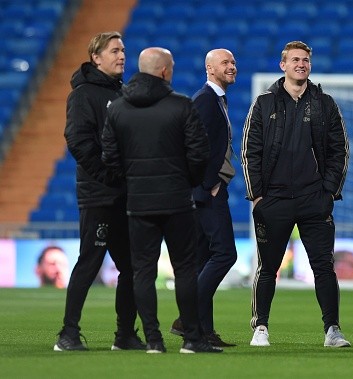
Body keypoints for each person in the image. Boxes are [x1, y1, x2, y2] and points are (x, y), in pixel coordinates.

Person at [101, 47, 221, 354]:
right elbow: (199, 153)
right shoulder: (181, 105)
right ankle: (192, 340)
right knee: (184, 270)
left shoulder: (117, 108)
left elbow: (109, 159)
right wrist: (187, 182)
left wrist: (132, 185)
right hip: (178, 201)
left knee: (143, 271)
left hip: (138, 203)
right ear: (165, 71)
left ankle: (153, 340)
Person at [241, 41, 351, 348]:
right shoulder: (263, 103)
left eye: (305, 60)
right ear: (283, 65)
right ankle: (260, 326)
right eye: (295, 60)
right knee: (268, 267)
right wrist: (257, 197)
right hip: (273, 200)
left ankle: (332, 329)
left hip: (313, 199)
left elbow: (340, 150)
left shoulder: (325, 103)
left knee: (323, 266)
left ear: (310, 65)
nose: (300, 64)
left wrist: (329, 192)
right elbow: (250, 150)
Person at [56, 31, 144, 352]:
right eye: (114, 51)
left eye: (123, 50)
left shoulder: (123, 93)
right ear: (96, 57)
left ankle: (124, 335)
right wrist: (108, 177)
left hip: (125, 194)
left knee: (131, 267)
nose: (122, 55)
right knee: (90, 261)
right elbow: (79, 141)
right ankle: (67, 334)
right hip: (99, 194)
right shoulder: (83, 95)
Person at [169, 48, 238, 347]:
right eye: (225, 63)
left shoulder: (215, 100)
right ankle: (187, 317)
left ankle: (203, 331)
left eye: (233, 62)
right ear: (209, 68)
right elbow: (190, 145)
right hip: (206, 193)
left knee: (203, 258)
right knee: (225, 253)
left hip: (202, 191)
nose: (232, 67)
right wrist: (207, 183)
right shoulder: (205, 100)